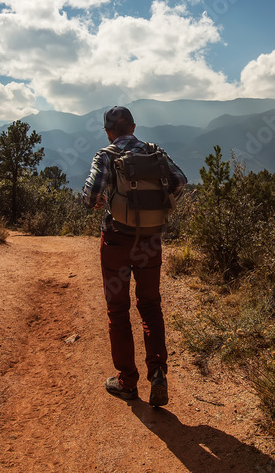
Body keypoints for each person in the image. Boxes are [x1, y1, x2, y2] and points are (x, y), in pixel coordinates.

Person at [82, 106, 187, 406]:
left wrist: (104, 201)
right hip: (150, 240)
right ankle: (158, 373)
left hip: (116, 240)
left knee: (118, 310)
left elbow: (90, 196)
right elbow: (180, 181)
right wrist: (157, 207)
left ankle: (127, 381)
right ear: (134, 127)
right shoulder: (156, 153)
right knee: (151, 306)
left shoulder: (105, 155)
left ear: (108, 132)